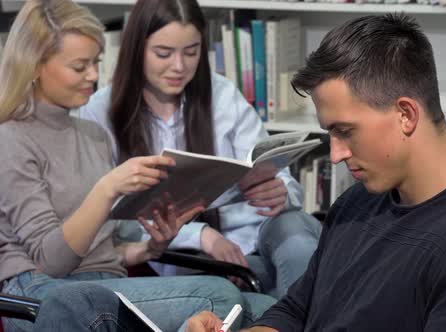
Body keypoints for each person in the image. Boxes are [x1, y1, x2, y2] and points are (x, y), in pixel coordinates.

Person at [184, 13, 446, 332]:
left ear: (406, 115)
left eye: (345, 131)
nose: (336, 154)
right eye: (330, 134)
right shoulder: (356, 203)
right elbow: (297, 310)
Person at [0, 1, 274, 331]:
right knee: (217, 296)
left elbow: (106, 248)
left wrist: (150, 247)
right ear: (35, 66)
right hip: (44, 296)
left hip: (104, 284)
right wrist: (107, 189)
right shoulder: (11, 139)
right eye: (79, 66)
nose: (93, 75)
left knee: (269, 310)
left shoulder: (92, 135)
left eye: (96, 62)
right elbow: (50, 262)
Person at [78, 0, 321, 298]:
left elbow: (281, 178)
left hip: (256, 233)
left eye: (191, 52)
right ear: (135, 50)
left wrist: (281, 193)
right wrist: (201, 235)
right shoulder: (100, 111)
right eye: (163, 53)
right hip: (179, 258)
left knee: (298, 242)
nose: (179, 66)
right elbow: (107, 218)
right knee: (272, 288)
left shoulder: (222, 94)